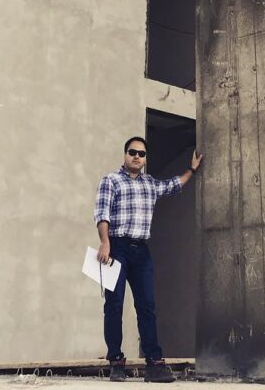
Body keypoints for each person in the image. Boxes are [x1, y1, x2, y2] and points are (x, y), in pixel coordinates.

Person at [93, 136, 203, 382]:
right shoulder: (111, 180)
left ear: (145, 159)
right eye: (132, 152)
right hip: (117, 248)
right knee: (114, 305)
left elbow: (174, 184)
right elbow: (102, 213)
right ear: (125, 154)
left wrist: (192, 170)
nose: (137, 157)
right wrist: (105, 242)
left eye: (141, 154)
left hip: (141, 251)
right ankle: (116, 362)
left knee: (147, 307)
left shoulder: (150, 184)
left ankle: (154, 363)